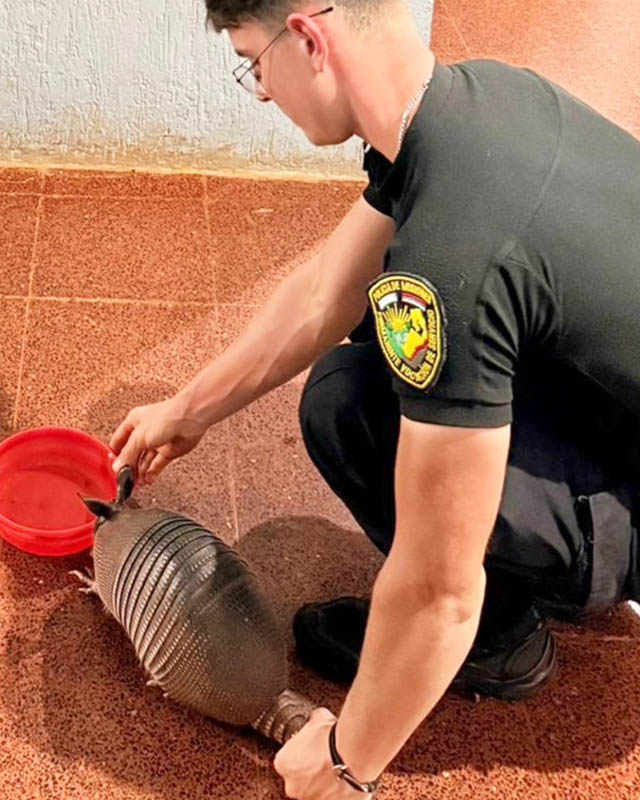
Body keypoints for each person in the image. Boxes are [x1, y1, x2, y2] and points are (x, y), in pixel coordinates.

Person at [109, 0, 640, 797]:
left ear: (308, 39)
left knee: (360, 405)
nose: (261, 90)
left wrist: (343, 762)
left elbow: (438, 590)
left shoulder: (454, 252)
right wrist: (186, 410)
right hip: (610, 408)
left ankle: (502, 642)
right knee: (364, 361)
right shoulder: (475, 101)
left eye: (254, 62)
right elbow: (326, 293)